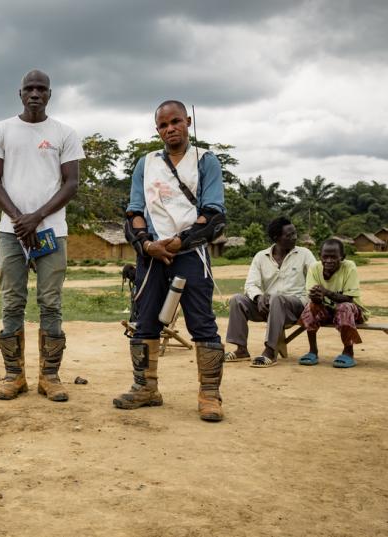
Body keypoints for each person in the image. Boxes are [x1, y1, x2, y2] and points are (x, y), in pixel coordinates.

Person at [113, 100, 227, 422]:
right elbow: (134, 212)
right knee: (144, 320)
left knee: (201, 322)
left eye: (175, 121)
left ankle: (209, 394)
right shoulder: (145, 163)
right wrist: (147, 245)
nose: (170, 129)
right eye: (163, 125)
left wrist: (180, 242)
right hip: (150, 256)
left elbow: (214, 214)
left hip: (190, 253)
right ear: (157, 130)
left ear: (188, 122)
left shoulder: (206, 160)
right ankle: (145, 388)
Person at [0, 69, 85, 402]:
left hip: (52, 231)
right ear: (20, 93)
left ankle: (50, 376)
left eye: (42, 89)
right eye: (30, 89)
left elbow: (71, 183)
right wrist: (18, 219)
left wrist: (36, 218)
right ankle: (14, 376)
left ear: (50, 94)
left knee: (50, 303)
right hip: (11, 233)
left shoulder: (64, 133)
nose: (35, 94)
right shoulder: (0, 131)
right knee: (12, 302)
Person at [225, 217, 316, 367]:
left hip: (295, 307)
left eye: (295, 233)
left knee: (277, 298)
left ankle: (270, 351)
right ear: (276, 238)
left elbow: (315, 279)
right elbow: (251, 284)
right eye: (289, 235)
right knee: (237, 299)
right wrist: (259, 297)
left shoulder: (304, 254)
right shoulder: (261, 257)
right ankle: (241, 349)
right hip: (268, 306)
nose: (294, 237)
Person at [297, 239, 368, 368]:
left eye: (334, 257)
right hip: (328, 311)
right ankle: (313, 351)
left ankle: (348, 352)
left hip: (353, 312)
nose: (329, 260)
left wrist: (326, 292)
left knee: (344, 307)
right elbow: (314, 297)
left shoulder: (349, 266)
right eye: (325, 257)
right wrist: (316, 297)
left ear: (342, 257)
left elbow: (349, 299)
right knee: (311, 306)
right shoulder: (314, 268)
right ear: (320, 256)